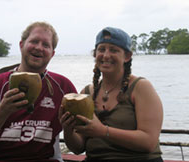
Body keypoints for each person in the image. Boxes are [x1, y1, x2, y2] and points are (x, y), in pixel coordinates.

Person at [0, 21, 77, 162]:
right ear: (21, 45)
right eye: (34, 41)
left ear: (52, 54)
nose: (39, 48)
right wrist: (3, 110)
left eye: (46, 45)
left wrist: (69, 128)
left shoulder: (62, 86)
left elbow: (78, 147)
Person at [59, 27, 164, 162]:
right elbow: (78, 148)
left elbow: (148, 142)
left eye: (113, 50)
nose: (106, 55)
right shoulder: (87, 93)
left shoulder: (140, 87)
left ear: (127, 56)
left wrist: (103, 131)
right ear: (95, 54)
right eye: (101, 49)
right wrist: (67, 129)